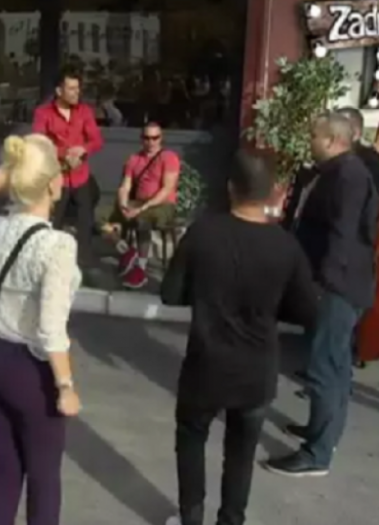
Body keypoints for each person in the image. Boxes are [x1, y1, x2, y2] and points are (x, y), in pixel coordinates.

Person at [160, 150, 318, 525]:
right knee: (241, 451)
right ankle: (231, 520)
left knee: (191, 438)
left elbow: (170, 293)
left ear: (231, 188)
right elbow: (307, 312)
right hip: (256, 367)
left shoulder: (203, 233)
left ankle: (191, 517)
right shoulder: (285, 246)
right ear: (273, 191)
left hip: (206, 363)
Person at [0, 134, 82, 525]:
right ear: (52, 183)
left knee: (3, 466)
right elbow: (51, 327)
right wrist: (65, 385)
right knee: (43, 476)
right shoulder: (58, 245)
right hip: (31, 366)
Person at [265, 112, 379, 477]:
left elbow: (343, 235)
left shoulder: (348, 176)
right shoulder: (332, 172)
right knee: (335, 363)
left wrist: (322, 284)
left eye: (314, 135)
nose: (310, 141)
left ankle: (317, 453)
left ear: (332, 140)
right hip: (335, 282)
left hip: (337, 286)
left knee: (324, 367)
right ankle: (322, 432)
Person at [31, 70, 103, 282]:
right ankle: (46, 267)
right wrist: (64, 154)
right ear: (59, 90)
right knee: (53, 223)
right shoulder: (43, 113)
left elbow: (96, 140)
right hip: (56, 177)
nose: (76, 92)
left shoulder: (84, 111)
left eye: (78, 88)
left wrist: (83, 150)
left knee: (85, 223)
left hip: (81, 176)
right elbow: (39, 142)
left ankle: (84, 269)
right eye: (71, 88)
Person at [111, 122, 181, 289]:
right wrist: (123, 205)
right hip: (138, 202)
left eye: (155, 138)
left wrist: (140, 209)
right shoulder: (134, 159)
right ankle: (127, 252)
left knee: (141, 220)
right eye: (147, 138)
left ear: (161, 138)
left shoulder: (168, 157)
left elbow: (166, 189)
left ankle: (140, 268)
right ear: (141, 139)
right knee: (102, 215)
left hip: (162, 205)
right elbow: (125, 186)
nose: (151, 142)